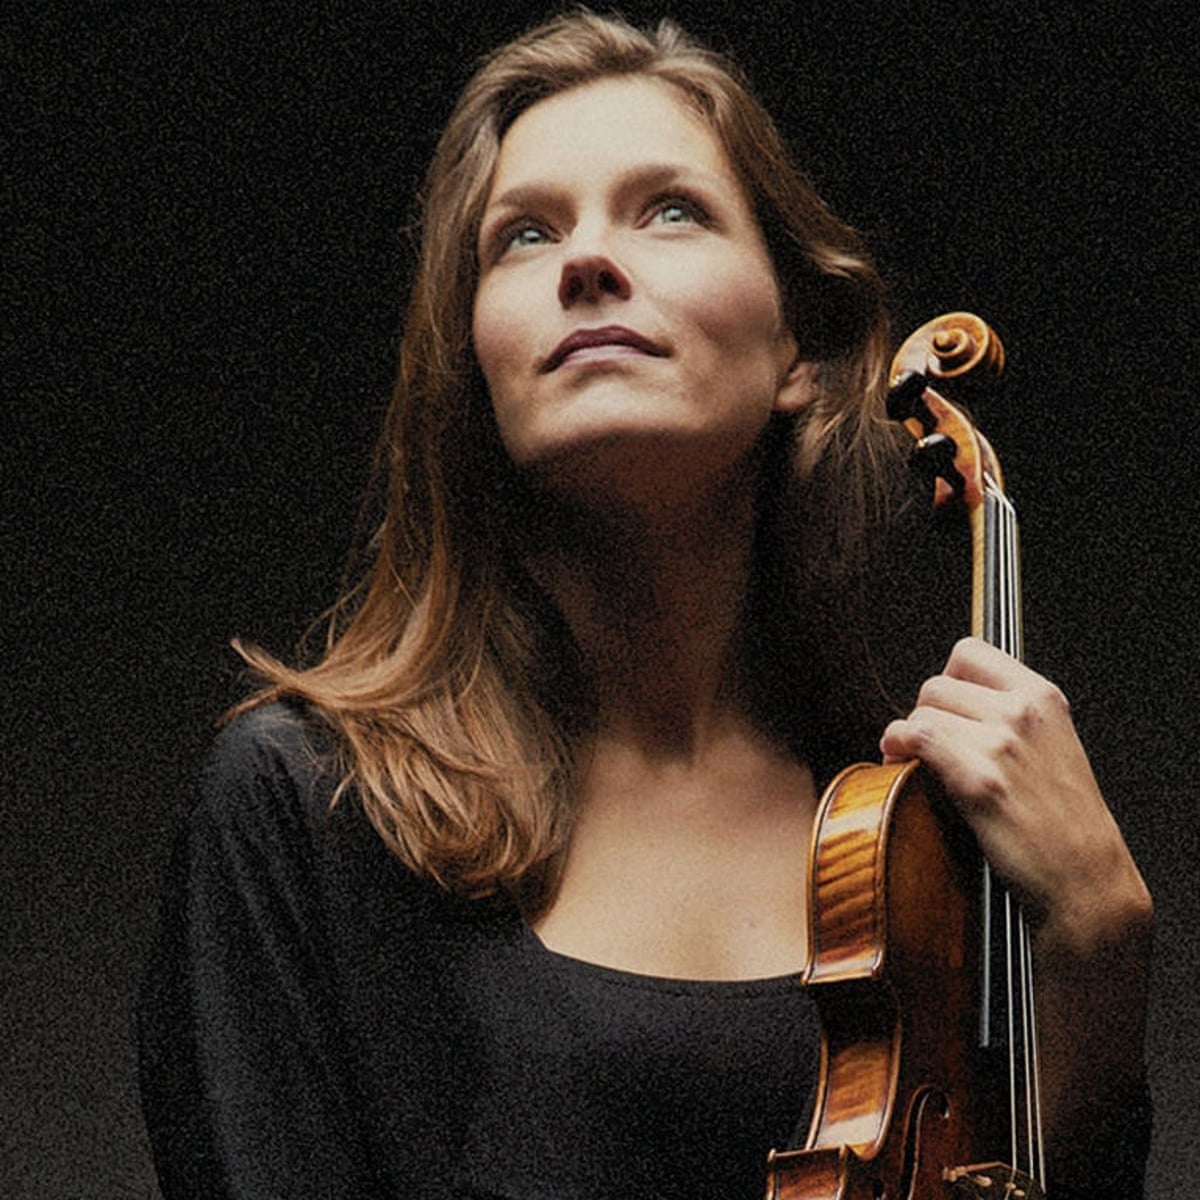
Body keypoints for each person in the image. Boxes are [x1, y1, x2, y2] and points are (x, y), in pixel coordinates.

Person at [138, 11, 1153, 1199]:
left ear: (801, 349)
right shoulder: (304, 807)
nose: (586, 261)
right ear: (476, 363)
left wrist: (1098, 939)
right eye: (523, 235)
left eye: (671, 211)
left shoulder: (919, 837)